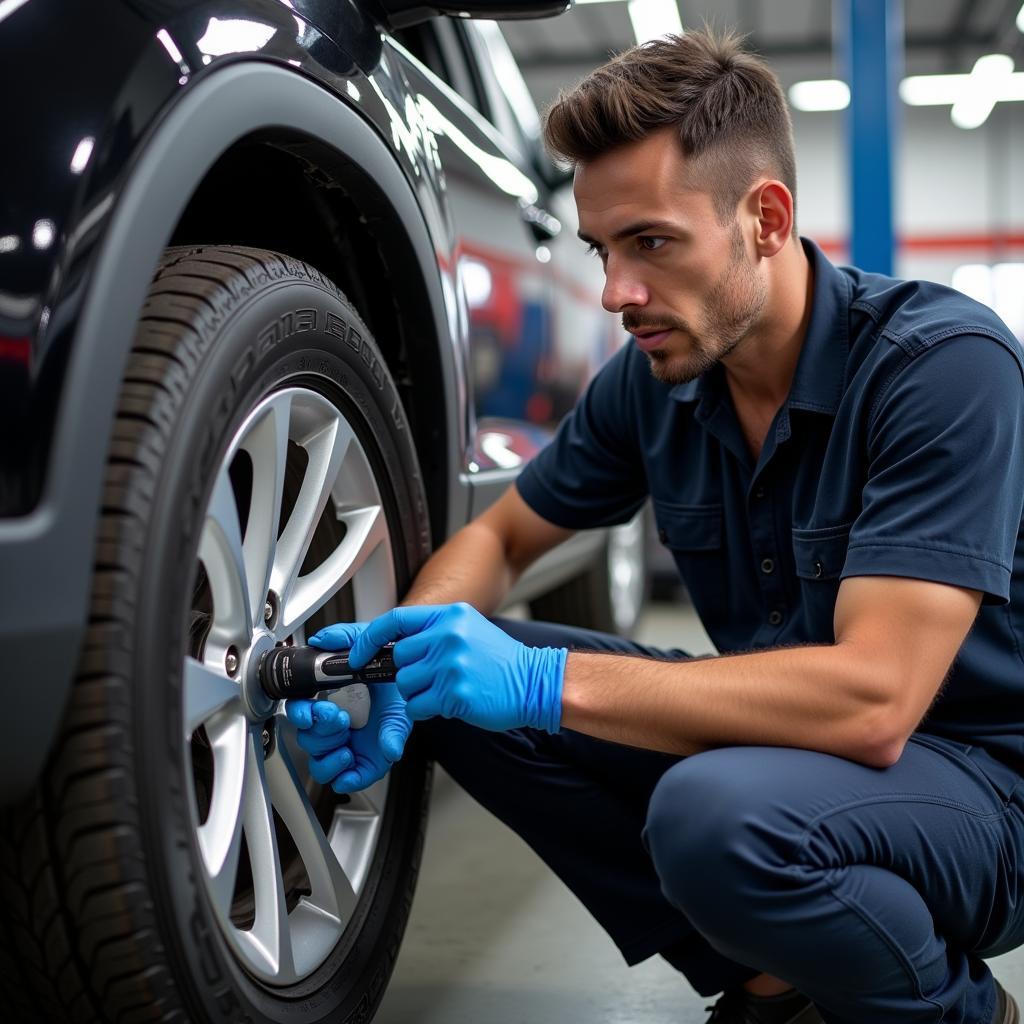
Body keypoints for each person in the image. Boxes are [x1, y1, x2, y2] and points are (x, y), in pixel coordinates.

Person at [285, 29, 1024, 1024]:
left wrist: (543, 685)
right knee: (462, 682)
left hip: (981, 792)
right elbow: (501, 541)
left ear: (763, 220)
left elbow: (875, 701)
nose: (615, 293)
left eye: (652, 244)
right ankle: (774, 980)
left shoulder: (942, 369)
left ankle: (952, 1010)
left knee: (716, 819)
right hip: (784, 753)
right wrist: (409, 663)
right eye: (602, 249)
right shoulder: (652, 384)